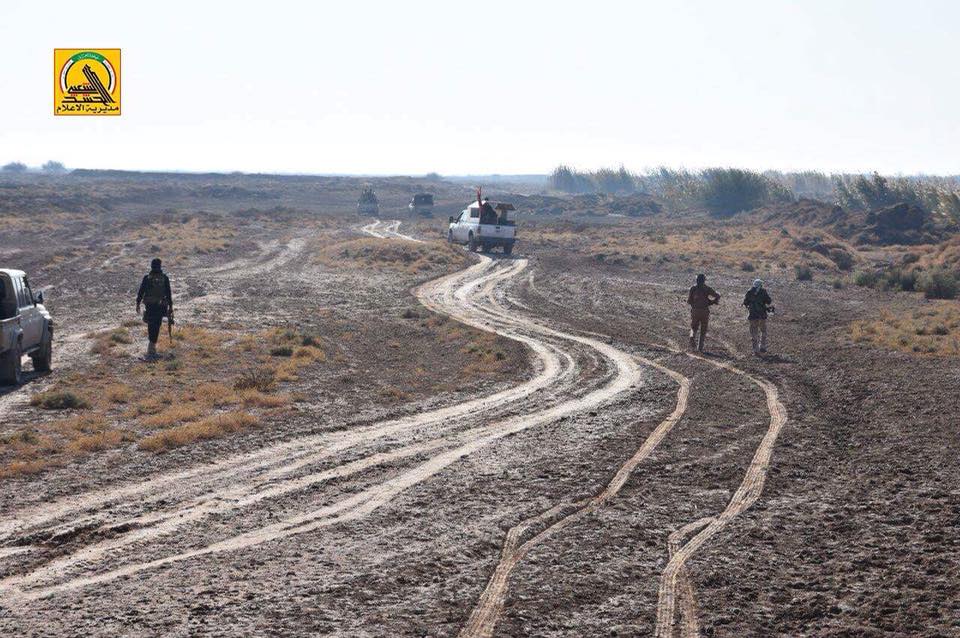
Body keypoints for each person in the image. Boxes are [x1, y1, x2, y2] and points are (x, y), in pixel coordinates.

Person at [136, 258, 173, 359]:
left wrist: (138, 303)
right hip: (160, 306)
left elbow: (141, 291)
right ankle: (151, 350)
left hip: (150, 306)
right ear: (160, 266)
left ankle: (151, 349)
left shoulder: (147, 278)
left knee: (151, 326)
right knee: (156, 326)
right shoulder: (164, 278)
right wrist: (171, 307)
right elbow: (168, 293)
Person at [687, 273, 720, 352]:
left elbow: (689, 301)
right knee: (703, 329)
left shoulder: (693, 288)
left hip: (695, 310)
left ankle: (692, 336)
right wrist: (712, 302)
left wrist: (694, 305)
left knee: (693, 327)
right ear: (704, 280)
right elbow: (717, 295)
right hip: (705, 311)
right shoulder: (707, 288)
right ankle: (700, 347)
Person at [743, 279, 773, 354]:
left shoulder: (749, 292)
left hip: (752, 316)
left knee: (754, 332)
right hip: (762, 315)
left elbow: (745, 302)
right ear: (760, 285)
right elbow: (769, 301)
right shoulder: (763, 291)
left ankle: (755, 349)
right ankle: (762, 346)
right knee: (763, 331)